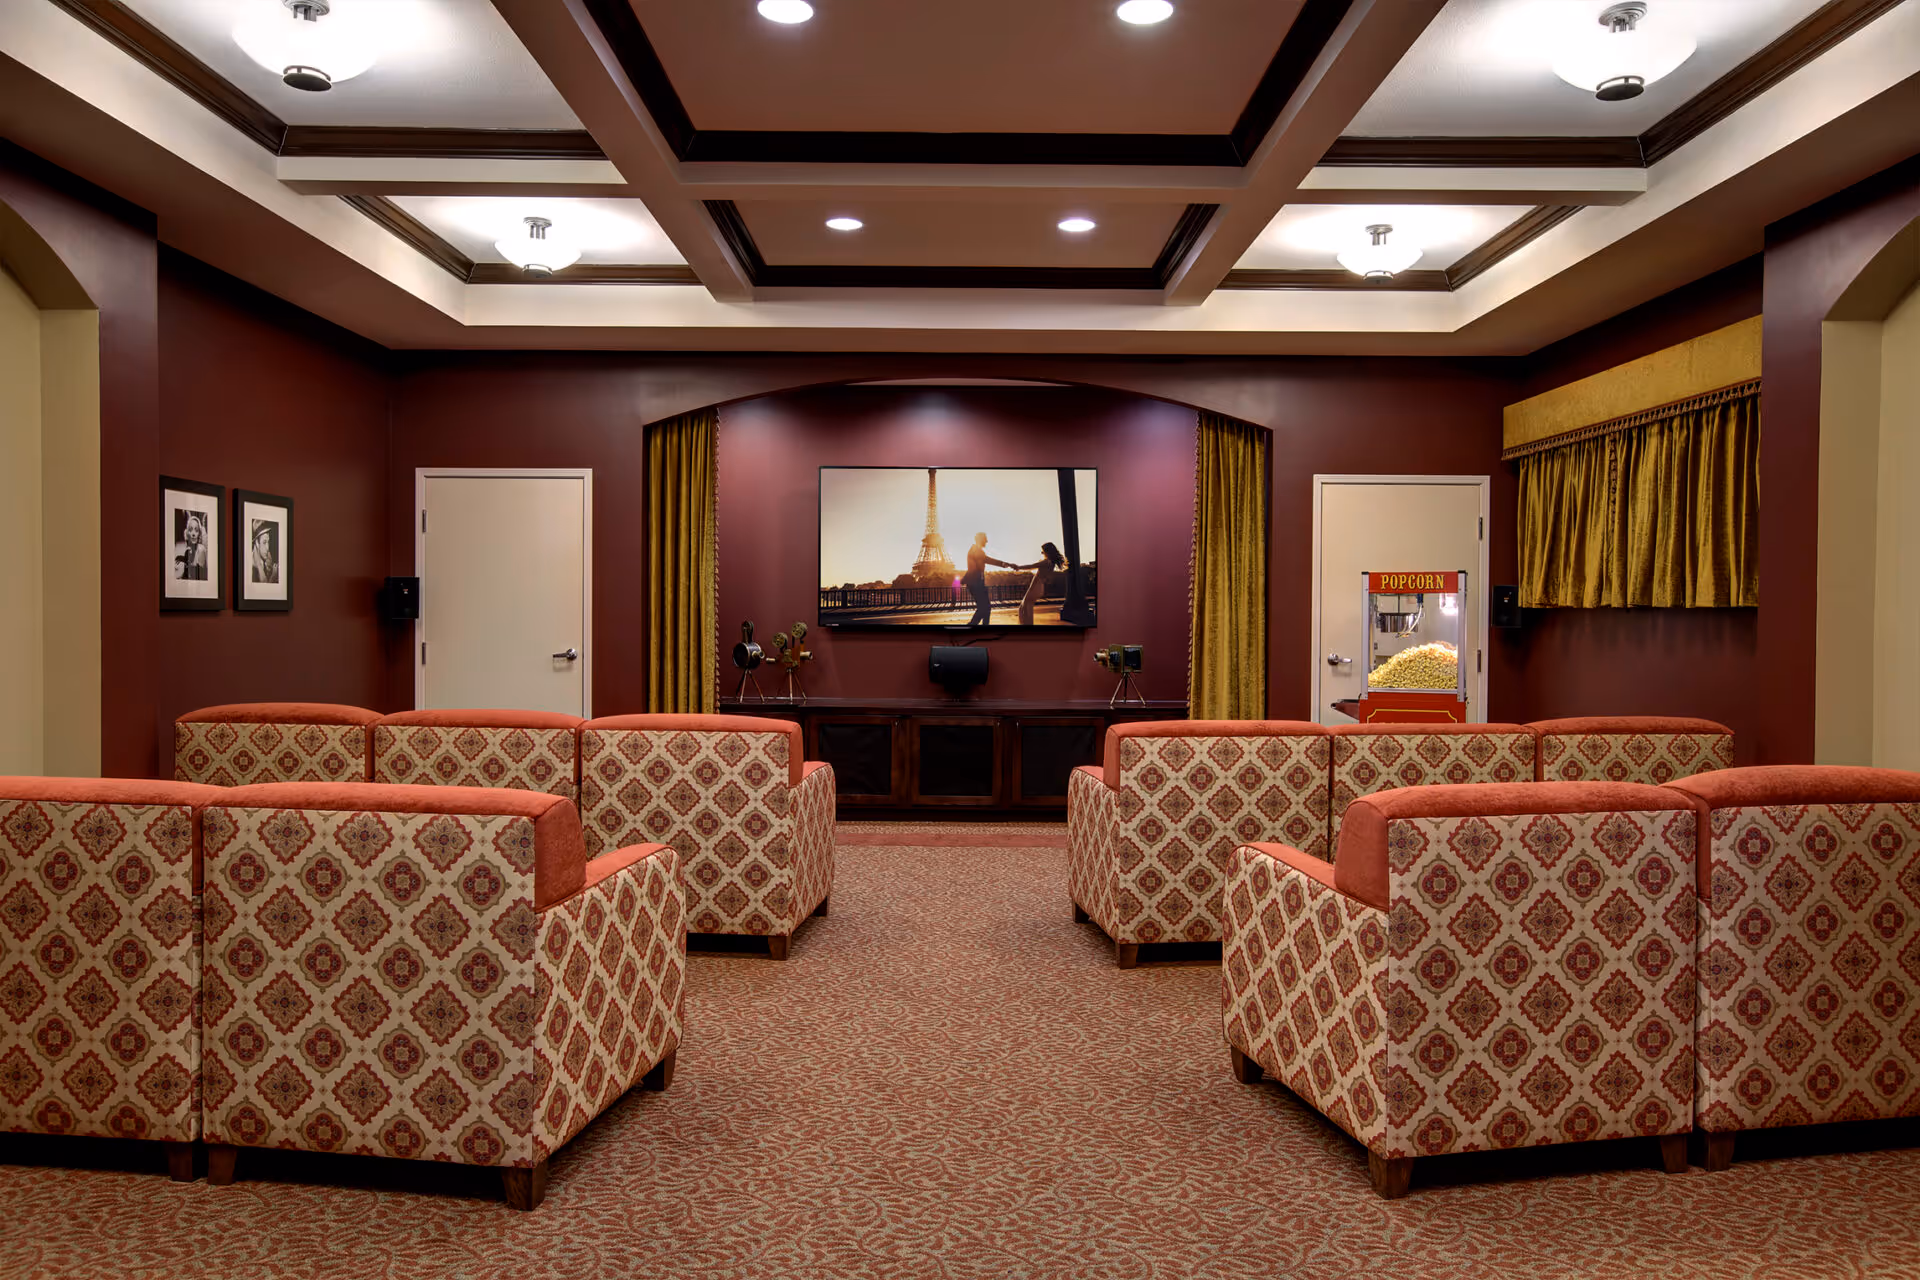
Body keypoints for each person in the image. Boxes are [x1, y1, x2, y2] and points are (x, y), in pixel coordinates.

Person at [961, 532, 1016, 626]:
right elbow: (989, 560)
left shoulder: (975, 550)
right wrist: (1007, 564)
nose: (986, 541)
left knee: (986, 608)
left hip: (977, 583)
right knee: (984, 608)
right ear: (980, 539)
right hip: (976, 584)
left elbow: (973, 567)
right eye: (985, 539)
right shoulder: (976, 550)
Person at [1015, 541, 1066, 626]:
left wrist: (1018, 567)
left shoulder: (1047, 562)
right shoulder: (1050, 562)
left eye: (1043, 551)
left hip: (1036, 586)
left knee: (1026, 608)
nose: (1042, 553)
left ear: (1047, 551)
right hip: (1039, 587)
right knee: (1023, 608)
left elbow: (1031, 566)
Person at [175, 511, 207, 581]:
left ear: (199, 533)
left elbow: (200, 573)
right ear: (187, 533)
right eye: (190, 530)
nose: (193, 534)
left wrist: (185, 561)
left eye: (196, 530)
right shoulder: (187, 550)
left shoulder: (201, 549)